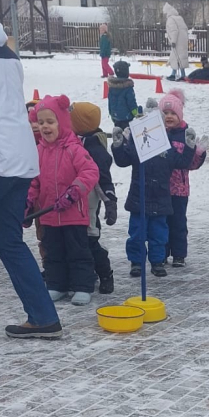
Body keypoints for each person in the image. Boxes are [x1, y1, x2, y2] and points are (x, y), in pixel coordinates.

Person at [0, 0, 61, 338]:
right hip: (20, 158)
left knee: (6, 239)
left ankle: (42, 317)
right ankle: (43, 317)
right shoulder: (5, 50)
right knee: (7, 239)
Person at [27, 95, 100, 307]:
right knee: (53, 252)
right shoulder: (39, 151)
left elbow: (90, 171)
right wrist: (29, 200)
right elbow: (34, 181)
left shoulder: (73, 148)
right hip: (49, 216)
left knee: (77, 252)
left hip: (73, 214)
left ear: (62, 122)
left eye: (50, 122)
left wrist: (74, 192)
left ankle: (82, 286)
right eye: (41, 123)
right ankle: (57, 284)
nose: (45, 127)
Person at [111, 103, 197, 278]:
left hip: (161, 200)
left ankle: (158, 261)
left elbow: (182, 162)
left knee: (159, 235)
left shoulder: (166, 149)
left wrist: (189, 146)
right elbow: (123, 160)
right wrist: (119, 145)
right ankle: (136, 261)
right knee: (136, 234)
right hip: (139, 199)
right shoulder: (138, 147)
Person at [70, 102, 117, 294]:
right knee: (73, 240)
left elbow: (103, 179)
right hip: (70, 202)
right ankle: (77, 274)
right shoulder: (72, 141)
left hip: (88, 205)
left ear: (80, 123)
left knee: (89, 240)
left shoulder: (94, 149)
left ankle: (105, 273)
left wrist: (110, 201)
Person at [157, 90, 208, 267]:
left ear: (180, 115)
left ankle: (179, 254)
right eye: (165, 113)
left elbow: (190, 164)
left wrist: (198, 152)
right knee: (160, 223)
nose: (169, 117)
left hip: (179, 189)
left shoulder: (185, 135)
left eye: (173, 113)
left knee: (178, 223)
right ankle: (160, 253)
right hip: (160, 189)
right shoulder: (156, 133)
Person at [107, 61, 137, 128]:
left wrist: (111, 113)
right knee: (127, 134)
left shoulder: (112, 87)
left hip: (115, 116)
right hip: (127, 117)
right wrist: (136, 114)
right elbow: (131, 103)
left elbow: (110, 101)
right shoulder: (128, 88)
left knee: (118, 133)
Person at [164, 2, 189, 81]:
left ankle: (173, 75)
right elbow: (185, 29)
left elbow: (174, 31)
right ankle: (182, 74)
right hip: (183, 40)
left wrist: (173, 41)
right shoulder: (179, 18)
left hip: (177, 41)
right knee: (180, 57)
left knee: (175, 57)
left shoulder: (171, 19)